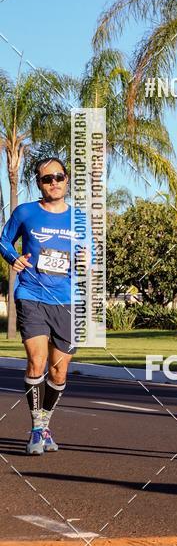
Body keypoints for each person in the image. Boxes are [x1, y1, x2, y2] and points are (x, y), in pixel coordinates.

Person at [0, 158, 76, 455]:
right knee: (37, 361)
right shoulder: (25, 212)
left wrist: (86, 263)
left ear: (66, 179)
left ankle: (45, 423)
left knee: (59, 373)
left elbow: (92, 257)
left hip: (68, 300)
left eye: (58, 176)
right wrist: (12, 258)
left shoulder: (79, 219)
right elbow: (4, 241)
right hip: (31, 294)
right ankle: (35, 429)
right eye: (47, 179)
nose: (54, 182)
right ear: (39, 184)